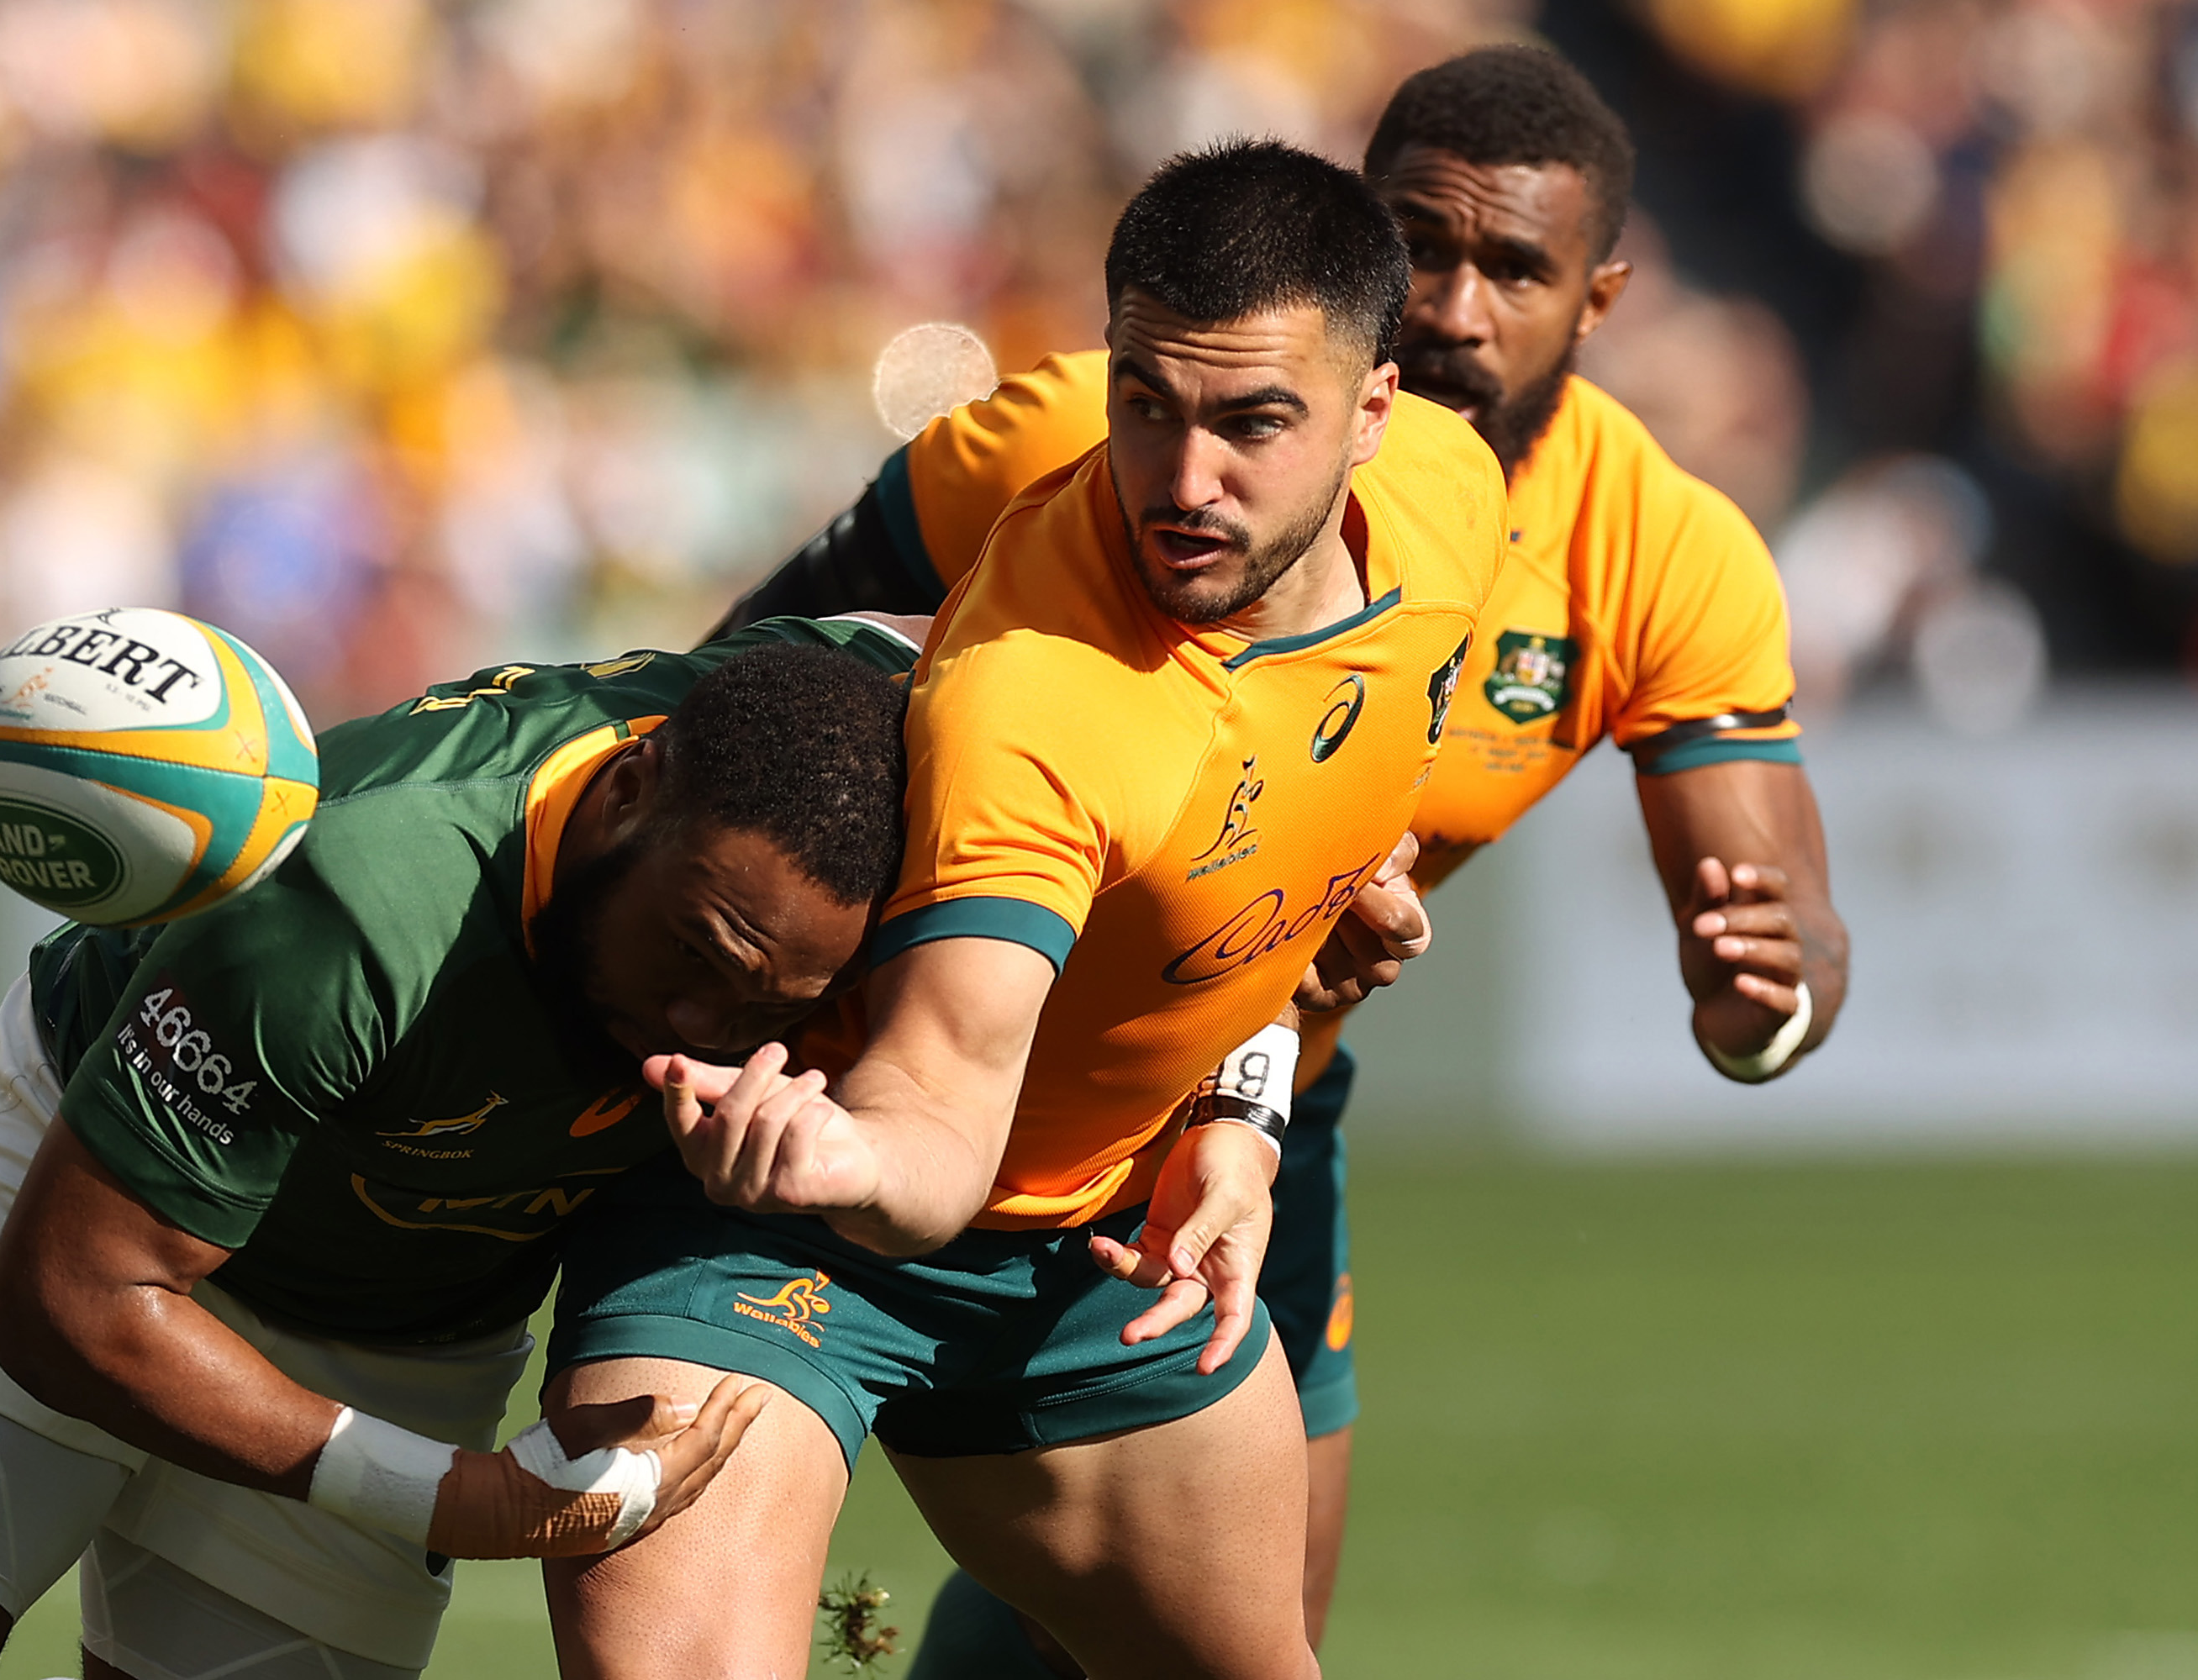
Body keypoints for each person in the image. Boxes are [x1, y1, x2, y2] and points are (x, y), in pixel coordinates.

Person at [719, 46, 1853, 1673]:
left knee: (1236, 1610)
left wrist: (1774, 1001)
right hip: (941, 1050)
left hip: (1256, 1079)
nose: (1457, 306)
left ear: (1599, 297)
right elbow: (748, 688)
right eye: (1423, 247)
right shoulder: (1083, 438)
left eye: (1514, 268)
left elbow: (1777, 940)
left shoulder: (1658, 553)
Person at [538, 140, 1505, 1679]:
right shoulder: (1039, 703)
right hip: (794, 1204)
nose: (1185, 484)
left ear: (1378, 412)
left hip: (1089, 1254)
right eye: (1145, 408)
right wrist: (837, 1149)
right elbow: (934, 1099)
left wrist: (1238, 1125)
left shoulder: (1456, 502)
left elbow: (1285, 891)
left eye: (1255, 422)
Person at [0, 619, 921, 1680]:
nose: (704, 1036)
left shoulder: (899, 714)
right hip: (80, 1181)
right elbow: (70, 1299)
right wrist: (464, 1499)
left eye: (772, 1010)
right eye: (696, 954)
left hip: (408, 1319)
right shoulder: (361, 894)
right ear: (625, 788)